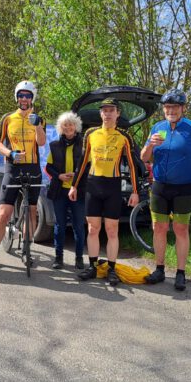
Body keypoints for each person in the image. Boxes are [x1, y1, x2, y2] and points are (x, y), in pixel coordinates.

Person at [140, 90, 191, 291]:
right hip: (160, 186)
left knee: (180, 229)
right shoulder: (157, 128)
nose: (170, 111)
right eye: (167, 107)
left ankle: (181, 273)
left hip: (185, 187)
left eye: (175, 107)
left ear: (183, 109)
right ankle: (160, 269)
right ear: (163, 109)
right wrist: (150, 146)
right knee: (159, 228)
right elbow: (144, 158)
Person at [69, 98, 140, 286]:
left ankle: (111, 269)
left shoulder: (124, 136)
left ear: (118, 113)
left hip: (113, 187)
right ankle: (92, 266)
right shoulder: (90, 133)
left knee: (112, 230)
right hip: (93, 185)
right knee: (93, 229)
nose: (107, 113)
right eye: (104, 110)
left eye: (111, 110)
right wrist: (74, 186)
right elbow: (82, 162)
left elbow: (132, 165)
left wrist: (135, 190)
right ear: (100, 113)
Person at [0, 81, 46, 269]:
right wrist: (9, 153)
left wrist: (37, 126)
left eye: (28, 96)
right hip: (13, 168)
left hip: (33, 168)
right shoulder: (8, 118)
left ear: (32, 98)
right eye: (21, 95)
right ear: (16, 97)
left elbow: (41, 143)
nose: (24, 99)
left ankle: (27, 251)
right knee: (3, 213)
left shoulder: (39, 118)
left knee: (32, 211)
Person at [45, 111, 86, 270]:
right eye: (65, 125)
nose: (68, 127)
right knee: (59, 225)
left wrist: (77, 175)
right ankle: (58, 258)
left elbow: (88, 166)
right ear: (61, 128)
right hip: (59, 191)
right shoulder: (54, 145)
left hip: (79, 191)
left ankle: (79, 258)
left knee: (78, 226)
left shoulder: (84, 145)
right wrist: (59, 175)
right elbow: (48, 167)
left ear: (76, 126)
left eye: (71, 124)